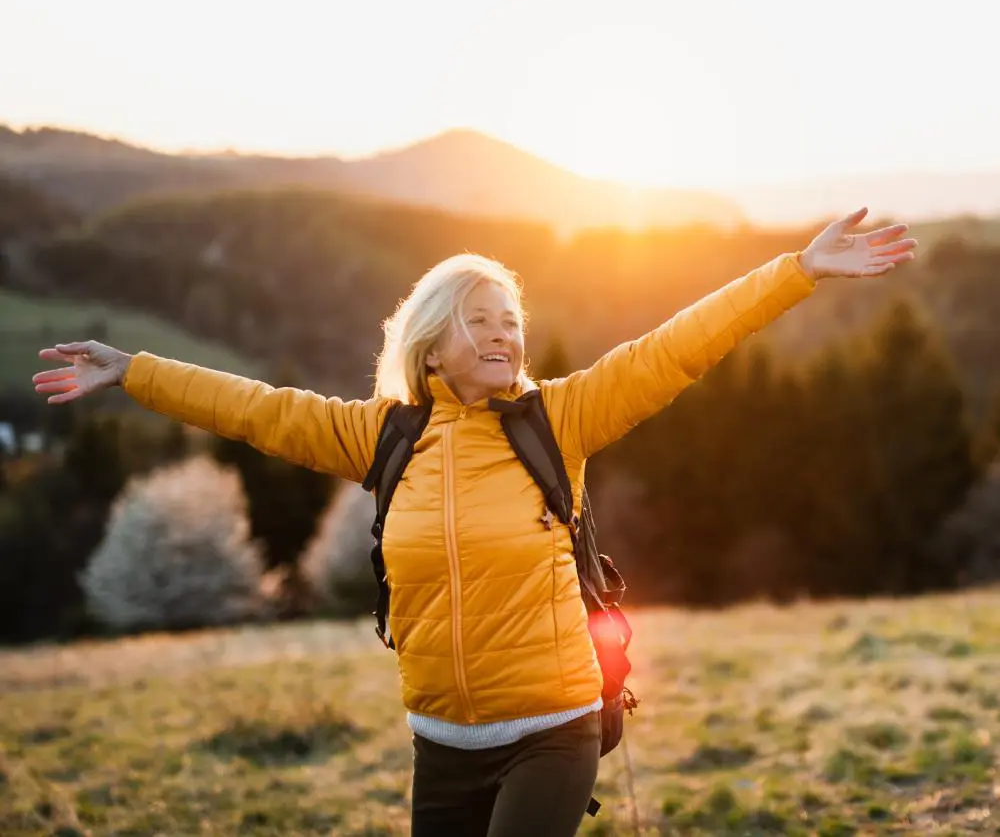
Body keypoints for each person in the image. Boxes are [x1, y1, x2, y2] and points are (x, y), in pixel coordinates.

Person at [33, 206, 915, 836]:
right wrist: (133, 371)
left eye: (512, 322)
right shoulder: (383, 437)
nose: (504, 336)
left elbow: (678, 346)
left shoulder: (559, 421)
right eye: (480, 321)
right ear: (431, 343)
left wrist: (794, 271)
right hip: (440, 742)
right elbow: (255, 409)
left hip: (554, 729)